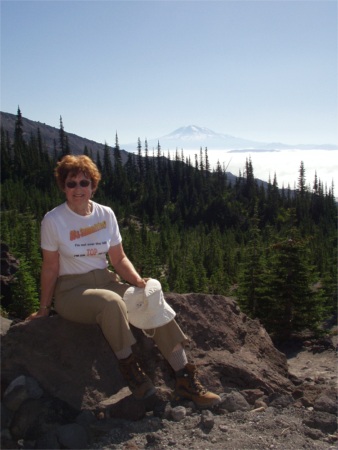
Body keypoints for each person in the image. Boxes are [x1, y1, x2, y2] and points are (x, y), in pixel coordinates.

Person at [27, 154, 221, 408]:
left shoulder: (105, 214)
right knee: (110, 303)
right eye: (71, 183)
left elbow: (118, 259)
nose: (78, 189)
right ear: (63, 186)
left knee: (150, 301)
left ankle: (184, 378)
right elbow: (51, 267)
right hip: (71, 290)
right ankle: (133, 373)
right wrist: (43, 309)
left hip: (106, 280)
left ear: (93, 186)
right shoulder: (53, 220)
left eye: (84, 183)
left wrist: (138, 281)